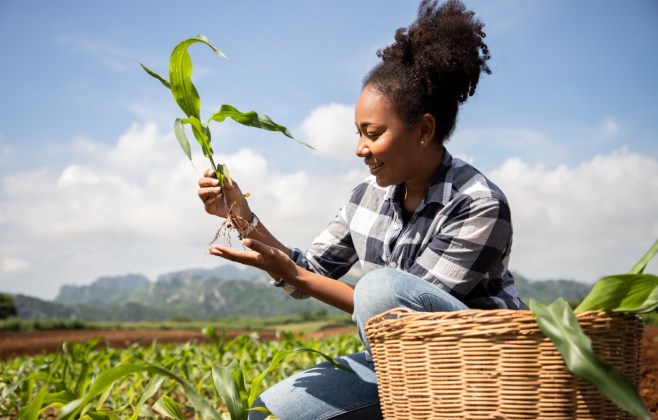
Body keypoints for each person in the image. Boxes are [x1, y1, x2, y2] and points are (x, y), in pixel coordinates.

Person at [198, 0, 527, 418]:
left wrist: (294, 273)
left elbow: (405, 320)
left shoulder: (478, 203)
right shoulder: (364, 199)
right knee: (266, 413)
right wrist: (240, 214)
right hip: (396, 368)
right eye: (358, 133)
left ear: (424, 130)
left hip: (484, 371)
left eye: (372, 133)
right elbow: (307, 274)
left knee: (380, 289)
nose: (360, 149)